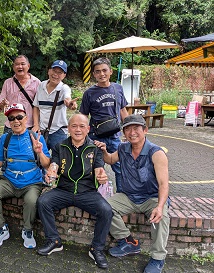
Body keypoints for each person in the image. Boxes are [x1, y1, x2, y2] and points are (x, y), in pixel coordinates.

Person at [94, 115, 169, 273]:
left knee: (161, 218)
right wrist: (104, 150)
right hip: (128, 196)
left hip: (152, 197)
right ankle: (128, 242)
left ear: (145, 130)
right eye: (127, 128)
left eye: (136, 128)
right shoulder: (123, 148)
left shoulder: (157, 153)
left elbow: (163, 184)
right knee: (103, 207)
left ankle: (158, 258)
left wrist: (160, 206)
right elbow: (110, 160)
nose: (132, 132)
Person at [36, 113, 112, 269]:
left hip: (87, 192)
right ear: (68, 128)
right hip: (64, 190)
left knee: (106, 210)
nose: (78, 129)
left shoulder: (94, 148)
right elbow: (54, 164)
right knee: (43, 202)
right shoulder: (60, 146)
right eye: (74, 126)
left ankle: (96, 249)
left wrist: (101, 175)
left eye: (82, 126)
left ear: (88, 129)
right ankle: (54, 241)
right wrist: (51, 171)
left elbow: (99, 167)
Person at [0, 103, 50, 249]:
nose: (16, 121)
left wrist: (39, 151)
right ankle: (1, 228)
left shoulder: (36, 137)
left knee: (31, 200)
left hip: (32, 182)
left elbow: (46, 165)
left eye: (19, 117)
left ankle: (27, 230)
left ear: (26, 118)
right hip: (9, 180)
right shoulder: (5, 138)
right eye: (11, 118)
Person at [79, 57, 128, 192]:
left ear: (111, 71)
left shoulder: (118, 88)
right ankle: (91, 195)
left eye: (104, 70)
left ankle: (121, 195)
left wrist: (129, 130)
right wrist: (81, 135)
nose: (102, 74)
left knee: (119, 167)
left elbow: (123, 109)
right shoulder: (89, 93)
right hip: (96, 137)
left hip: (114, 136)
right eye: (98, 71)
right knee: (94, 168)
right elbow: (83, 115)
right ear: (94, 74)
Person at [32, 60, 78, 151]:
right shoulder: (41, 85)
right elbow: (36, 107)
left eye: (60, 72)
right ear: (49, 71)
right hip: (41, 131)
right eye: (54, 71)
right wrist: (36, 125)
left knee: (61, 160)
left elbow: (67, 98)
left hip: (58, 131)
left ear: (64, 75)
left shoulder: (64, 88)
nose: (56, 74)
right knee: (39, 159)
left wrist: (70, 104)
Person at [0, 55, 41, 134]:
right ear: (13, 67)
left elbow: (39, 106)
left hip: (30, 126)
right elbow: (0, 105)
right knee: (8, 146)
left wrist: (36, 125)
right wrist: (3, 104)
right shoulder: (7, 83)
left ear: (28, 66)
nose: (20, 66)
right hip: (11, 125)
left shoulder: (37, 82)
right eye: (17, 64)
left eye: (22, 64)